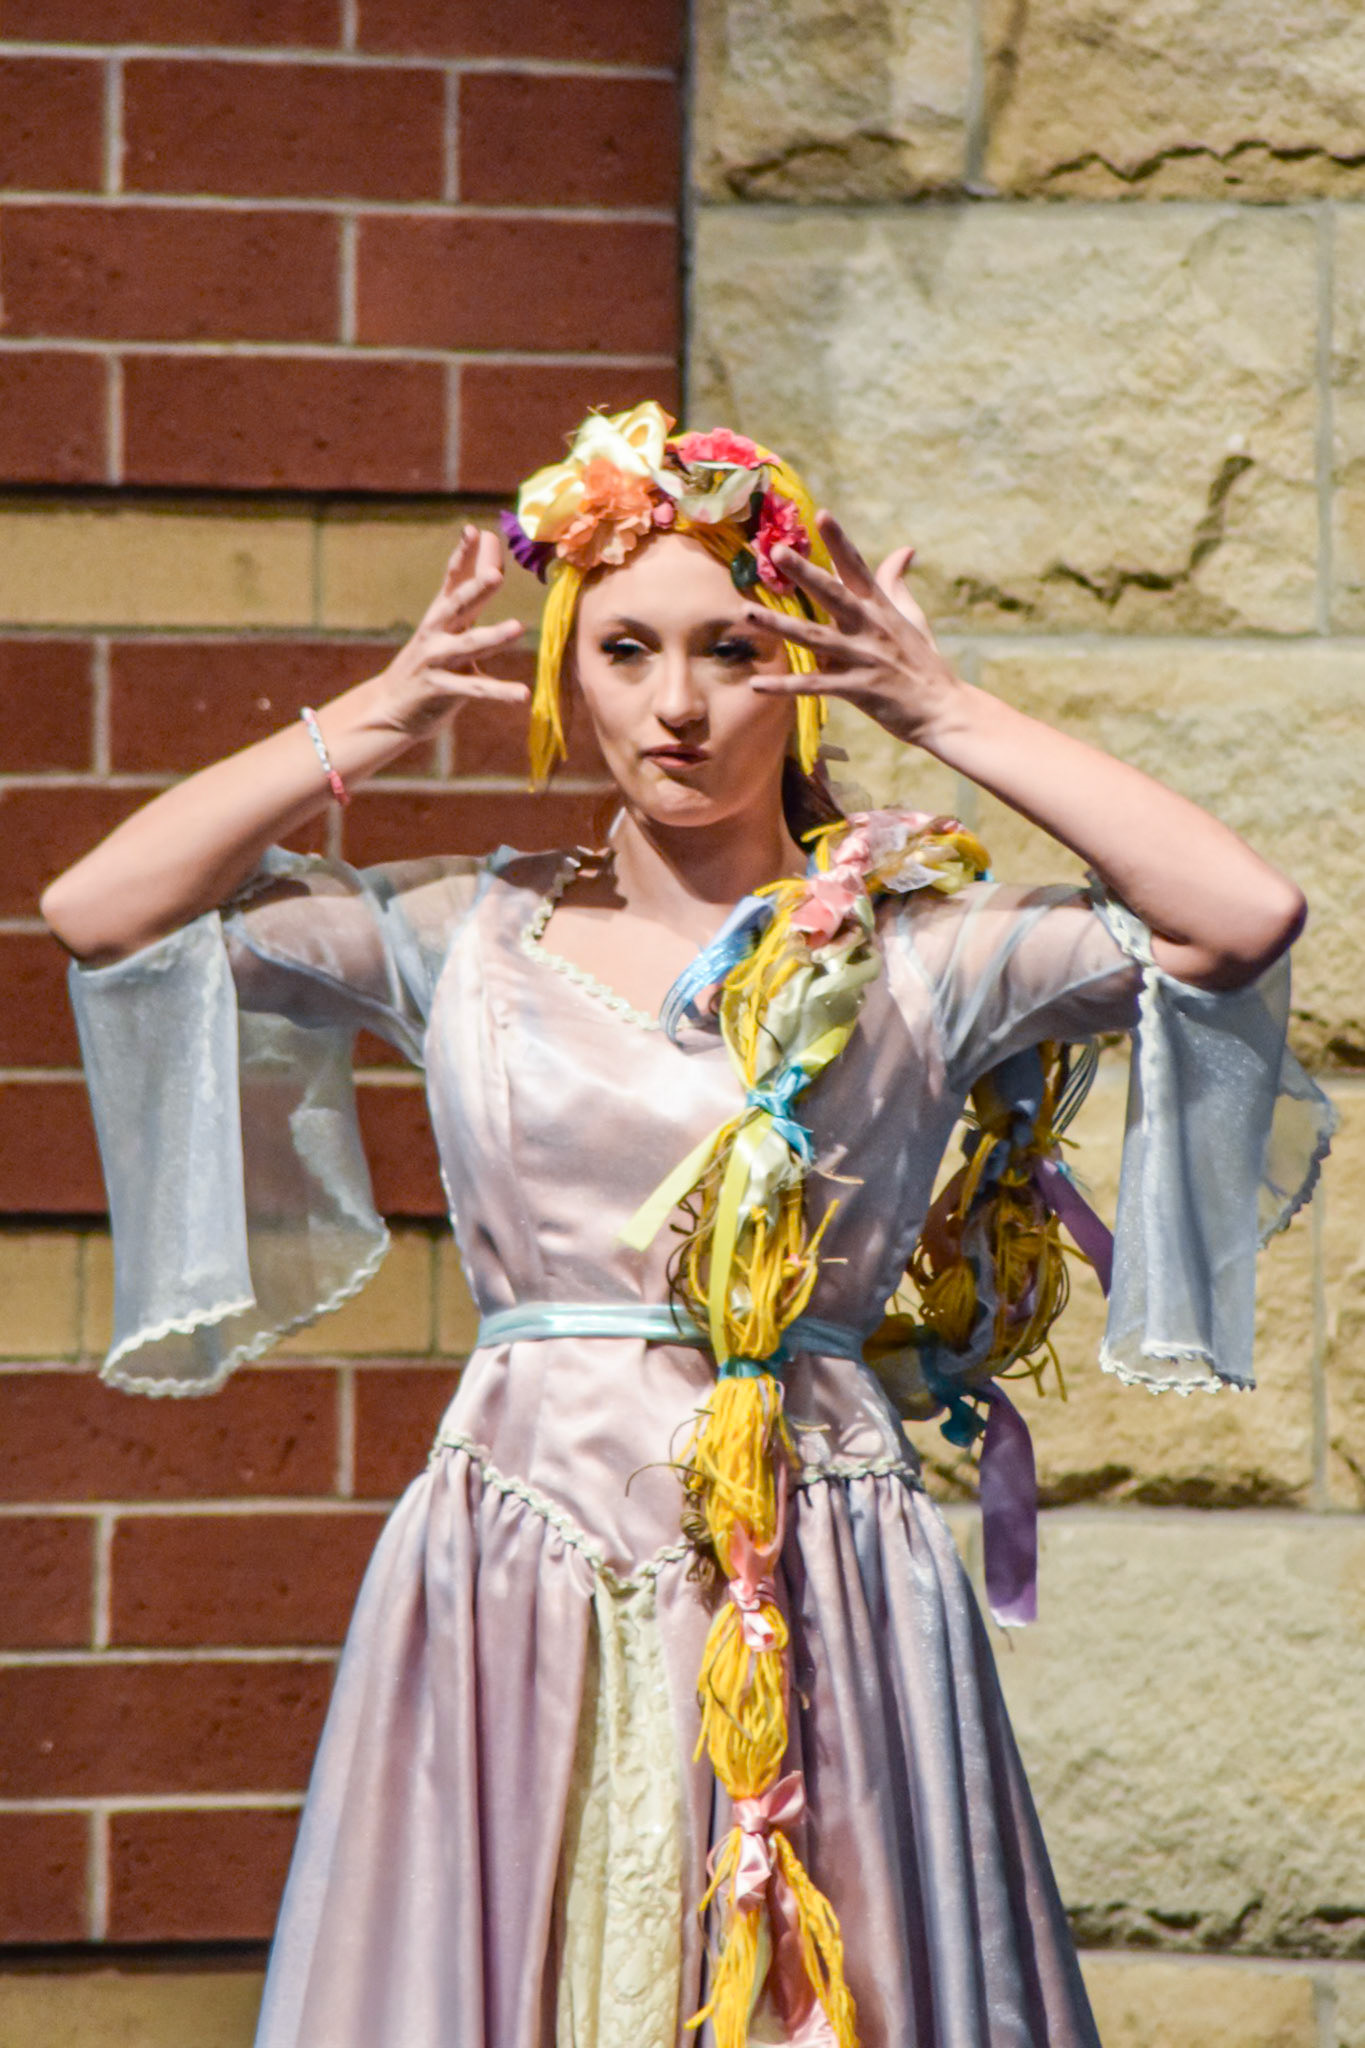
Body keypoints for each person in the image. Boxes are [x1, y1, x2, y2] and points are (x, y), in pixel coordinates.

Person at [43, 404, 1331, 2048]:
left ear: (795, 666)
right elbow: (102, 912)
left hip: (814, 1552)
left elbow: (1236, 917)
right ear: (565, 668)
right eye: (625, 649)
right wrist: (357, 726)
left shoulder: (918, 951)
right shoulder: (470, 933)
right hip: (523, 1548)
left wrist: (941, 709)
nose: (677, 704)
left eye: (730, 648)